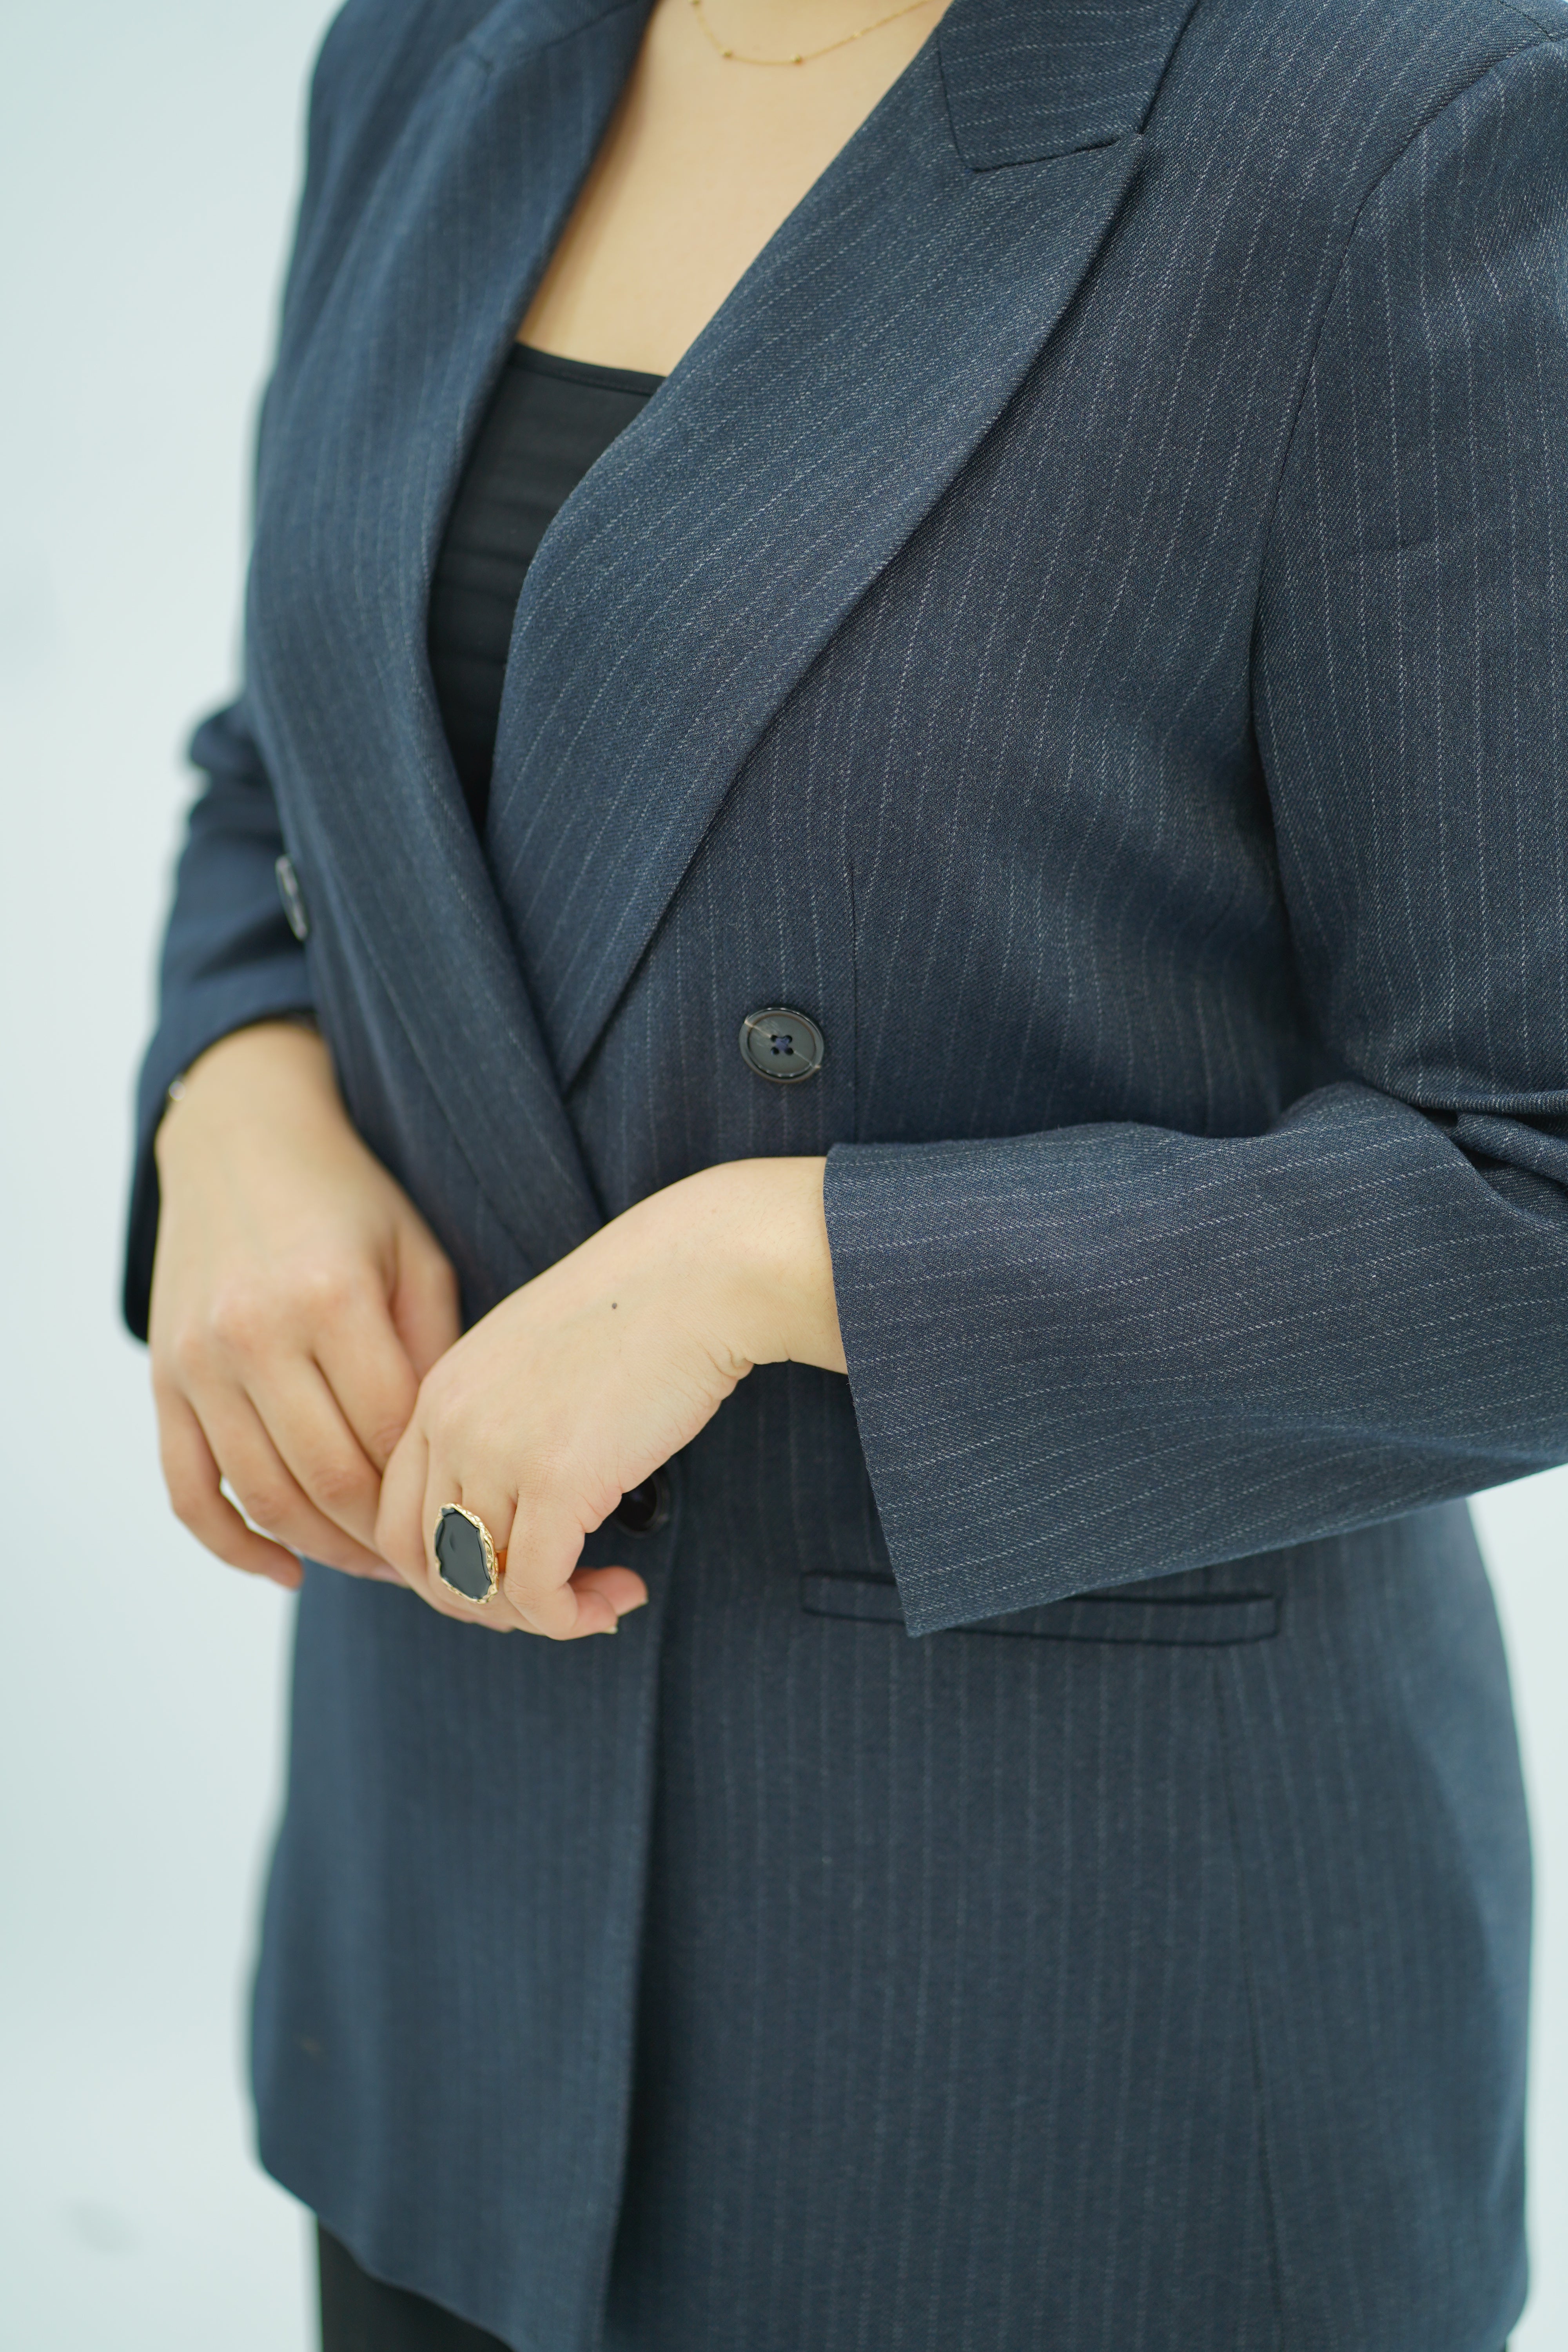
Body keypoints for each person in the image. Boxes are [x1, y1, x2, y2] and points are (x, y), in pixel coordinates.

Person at [126, 0, 1568, 2341]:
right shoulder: (426, 40)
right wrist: (238, 1093)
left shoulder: (1415, 118)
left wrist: (772, 1264)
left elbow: (1543, 1187)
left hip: (1063, 2032)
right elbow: (296, 758)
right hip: (444, 1974)